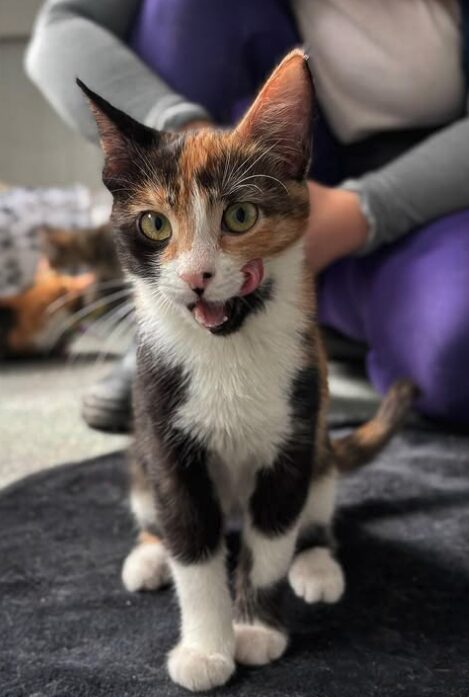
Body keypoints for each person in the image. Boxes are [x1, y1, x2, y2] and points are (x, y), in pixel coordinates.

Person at [26, 0, 469, 427]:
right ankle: (182, 335)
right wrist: (193, 151)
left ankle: (331, 315)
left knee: (457, 360)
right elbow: (61, 30)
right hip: (237, 171)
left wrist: (367, 210)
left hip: (438, 193)